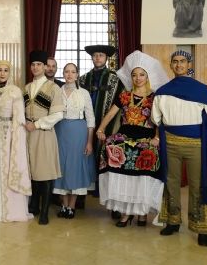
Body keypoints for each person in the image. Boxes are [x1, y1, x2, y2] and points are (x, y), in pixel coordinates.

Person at [152, 50, 207, 246]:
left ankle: (201, 227)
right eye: (175, 62)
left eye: (182, 61)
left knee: (197, 184)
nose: (178, 65)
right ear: (171, 65)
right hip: (170, 143)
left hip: (196, 144)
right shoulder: (162, 91)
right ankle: (172, 221)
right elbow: (156, 118)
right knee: (171, 182)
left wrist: (196, 128)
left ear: (189, 64)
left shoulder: (201, 89)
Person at [96, 50, 169, 227]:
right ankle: (125, 212)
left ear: (147, 76)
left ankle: (142, 212)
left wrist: (157, 138)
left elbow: (160, 120)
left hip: (146, 136)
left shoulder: (154, 98)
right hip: (125, 133)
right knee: (113, 146)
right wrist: (100, 129)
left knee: (147, 154)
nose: (138, 78)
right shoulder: (125, 95)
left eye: (141, 75)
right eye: (134, 75)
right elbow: (111, 113)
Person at [0, 60, 32, 222]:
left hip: (9, 135)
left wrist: (15, 141)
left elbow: (19, 118)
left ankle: (11, 210)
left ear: (10, 72)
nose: (2, 73)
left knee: (7, 168)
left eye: (5, 70)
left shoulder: (15, 91)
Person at [79, 44, 124, 209]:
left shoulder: (115, 79)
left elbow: (120, 106)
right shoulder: (83, 79)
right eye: (95, 55)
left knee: (109, 161)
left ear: (106, 58)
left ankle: (113, 204)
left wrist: (111, 128)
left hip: (108, 126)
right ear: (92, 58)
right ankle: (80, 196)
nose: (98, 58)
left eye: (101, 55)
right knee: (84, 158)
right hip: (86, 126)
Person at [24, 50, 64, 225]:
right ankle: (34, 206)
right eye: (33, 64)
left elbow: (58, 115)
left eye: (39, 64)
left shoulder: (53, 87)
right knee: (32, 171)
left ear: (45, 67)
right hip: (28, 134)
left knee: (45, 173)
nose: (35, 67)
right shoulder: (26, 87)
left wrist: (37, 124)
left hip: (44, 133)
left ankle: (45, 212)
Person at [53, 63, 95, 219]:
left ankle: (72, 206)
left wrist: (89, 141)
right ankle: (63, 205)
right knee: (61, 166)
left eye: (73, 72)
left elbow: (90, 118)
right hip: (60, 130)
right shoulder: (57, 91)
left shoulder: (83, 93)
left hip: (79, 131)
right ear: (63, 74)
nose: (69, 74)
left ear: (77, 74)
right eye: (66, 71)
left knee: (75, 166)